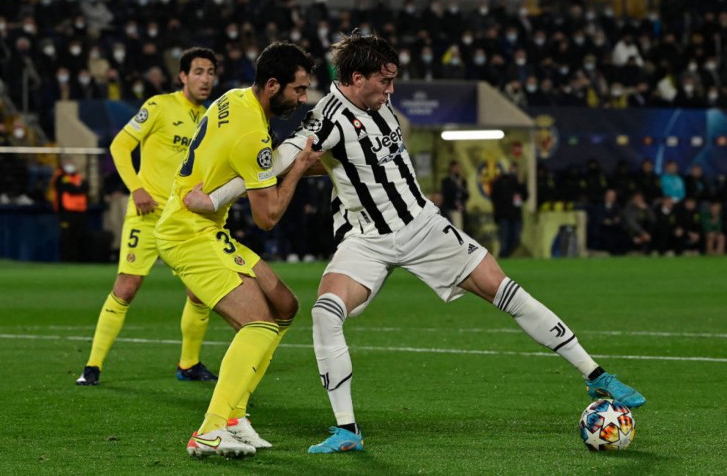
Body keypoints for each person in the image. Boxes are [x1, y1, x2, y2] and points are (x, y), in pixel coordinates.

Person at [185, 32, 647, 455]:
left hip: (425, 228)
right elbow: (283, 159)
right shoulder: (326, 118)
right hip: (366, 241)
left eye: (393, 81)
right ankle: (347, 429)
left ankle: (596, 375)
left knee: (507, 292)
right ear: (356, 78)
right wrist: (217, 196)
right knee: (326, 313)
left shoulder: (382, 105)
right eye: (384, 81)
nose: (391, 90)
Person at [154, 42, 322, 458]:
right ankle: (210, 430)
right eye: (298, 90)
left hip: (205, 224)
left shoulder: (233, 98)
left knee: (284, 305)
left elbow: (243, 163)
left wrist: (213, 201)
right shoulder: (252, 135)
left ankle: (234, 416)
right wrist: (299, 169)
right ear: (271, 85)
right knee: (259, 323)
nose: (302, 99)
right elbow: (267, 217)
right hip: (187, 233)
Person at [75, 48, 219, 387]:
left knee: (199, 292)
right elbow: (119, 147)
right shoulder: (158, 106)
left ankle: (189, 363)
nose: (206, 79)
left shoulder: (210, 119)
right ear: (182, 76)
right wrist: (137, 188)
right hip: (148, 213)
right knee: (126, 287)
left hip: (185, 220)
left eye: (211, 72)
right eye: (198, 71)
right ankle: (93, 366)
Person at [49, 158, 88, 262]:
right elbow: (65, 187)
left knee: (78, 236)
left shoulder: (78, 177)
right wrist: (76, 188)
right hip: (66, 212)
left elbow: (85, 187)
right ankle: (65, 259)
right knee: (67, 236)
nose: (70, 166)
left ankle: (77, 259)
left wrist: (75, 188)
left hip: (79, 211)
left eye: (71, 163)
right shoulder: (60, 177)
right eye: (67, 163)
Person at [490, 162, 528, 258]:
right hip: (504, 215)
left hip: (516, 215)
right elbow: (494, 195)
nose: (513, 171)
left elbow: (525, 196)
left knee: (515, 239)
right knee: (504, 239)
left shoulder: (519, 182)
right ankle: (503, 258)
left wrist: (521, 184)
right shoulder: (502, 181)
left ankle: (508, 257)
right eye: (512, 168)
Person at [440, 160, 470, 231]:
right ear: (451, 168)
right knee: (457, 230)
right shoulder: (447, 181)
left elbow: (466, 195)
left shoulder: (462, 181)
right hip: (452, 208)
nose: (458, 169)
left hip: (462, 209)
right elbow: (446, 195)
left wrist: (460, 189)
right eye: (456, 167)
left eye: (459, 167)